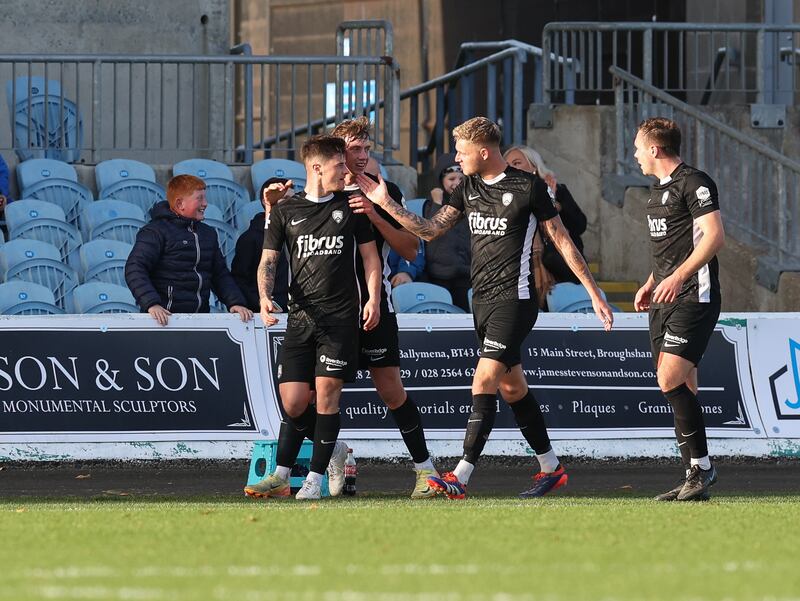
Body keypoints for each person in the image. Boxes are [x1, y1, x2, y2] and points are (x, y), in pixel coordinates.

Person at [355, 116, 614, 499]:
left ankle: (459, 475)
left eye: (461, 152)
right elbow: (429, 230)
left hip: (517, 299)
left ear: (483, 151)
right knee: (512, 387)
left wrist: (592, 292)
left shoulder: (528, 187)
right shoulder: (469, 188)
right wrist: (385, 204)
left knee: (484, 381)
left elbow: (561, 240)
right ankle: (551, 468)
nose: (457, 160)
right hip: (483, 302)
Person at [244, 134, 382, 501]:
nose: (347, 171)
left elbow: (370, 258)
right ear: (317, 168)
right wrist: (263, 297)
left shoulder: (352, 204)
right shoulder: (286, 211)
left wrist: (374, 299)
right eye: (340, 165)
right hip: (300, 318)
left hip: (339, 319)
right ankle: (328, 450)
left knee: (326, 397)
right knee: (292, 402)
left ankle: (311, 479)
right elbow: (269, 258)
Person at [334, 116, 441, 498]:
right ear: (337, 151)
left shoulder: (384, 189)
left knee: (392, 391)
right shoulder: (319, 191)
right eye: (355, 148)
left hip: (374, 306)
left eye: (367, 148)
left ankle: (425, 471)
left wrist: (376, 210)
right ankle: (332, 455)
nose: (363, 155)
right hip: (328, 311)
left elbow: (411, 249)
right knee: (313, 394)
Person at [632, 117, 725, 502]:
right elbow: (670, 250)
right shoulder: (656, 192)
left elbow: (715, 237)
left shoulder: (695, 182)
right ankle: (692, 474)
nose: (635, 155)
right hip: (665, 297)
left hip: (695, 295)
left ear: (655, 148)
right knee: (682, 385)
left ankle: (703, 468)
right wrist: (653, 282)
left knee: (668, 378)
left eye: (638, 147)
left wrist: (679, 277)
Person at [124, 174, 252, 326]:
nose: (205, 203)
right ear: (180, 204)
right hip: (163, 322)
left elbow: (220, 274)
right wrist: (151, 304)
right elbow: (135, 268)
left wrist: (235, 303)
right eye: (199, 198)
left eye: (205, 198)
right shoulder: (155, 232)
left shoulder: (208, 233)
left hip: (199, 321)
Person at [504, 145, 587, 307]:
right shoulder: (503, 196)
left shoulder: (558, 191)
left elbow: (579, 225)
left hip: (558, 270)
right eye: (508, 164)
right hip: (521, 273)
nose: (511, 168)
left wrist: (554, 204)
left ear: (534, 167)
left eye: (517, 162)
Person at [231, 177, 291, 312]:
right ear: (266, 200)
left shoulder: (298, 234)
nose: (292, 204)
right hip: (264, 316)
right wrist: (263, 304)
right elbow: (240, 280)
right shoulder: (250, 239)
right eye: (285, 199)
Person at [421, 155, 471, 311]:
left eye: (460, 178)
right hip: (439, 274)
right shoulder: (430, 205)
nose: (456, 183)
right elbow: (431, 230)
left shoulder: (471, 203)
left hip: (465, 274)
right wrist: (437, 203)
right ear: (441, 181)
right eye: (451, 179)